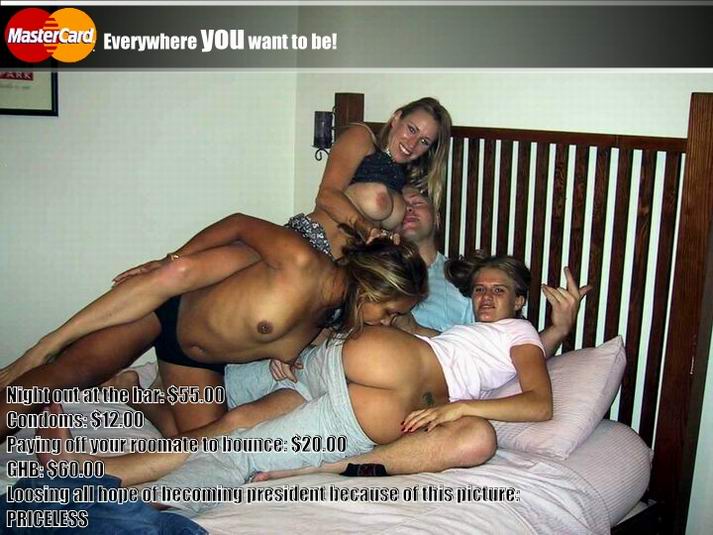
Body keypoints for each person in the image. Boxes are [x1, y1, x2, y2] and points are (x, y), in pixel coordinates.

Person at [34, 253, 552, 516]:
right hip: (327, 364)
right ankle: (99, 460)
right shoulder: (460, 334)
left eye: (499, 290)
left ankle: (96, 475)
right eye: (479, 289)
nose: (486, 298)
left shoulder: (521, 333)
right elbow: (418, 333)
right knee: (235, 425)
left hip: (352, 404)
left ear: (520, 301)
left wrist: (460, 406)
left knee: (239, 443)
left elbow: (538, 403)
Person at [0, 96, 451, 387]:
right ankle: (41, 348)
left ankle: (133, 390)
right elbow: (326, 195)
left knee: (192, 435)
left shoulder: (403, 193)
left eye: (425, 141)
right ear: (396, 118)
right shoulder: (361, 138)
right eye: (411, 128)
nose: (413, 142)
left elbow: (394, 285)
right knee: (177, 271)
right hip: (302, 240)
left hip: (321, 277)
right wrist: (366, 228)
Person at [0, 216, 428, 442]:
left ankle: (129, 390)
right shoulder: (300, 263)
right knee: (67, 374)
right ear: (373, 287)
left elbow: (415, 341)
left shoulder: (330, 319)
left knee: (192, 443)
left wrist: (294, 350)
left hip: (194, 362)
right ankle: (38, 361)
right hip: (166, 313)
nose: (385, 322)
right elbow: (239, 223)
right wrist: (173, 258)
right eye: (389, 311)